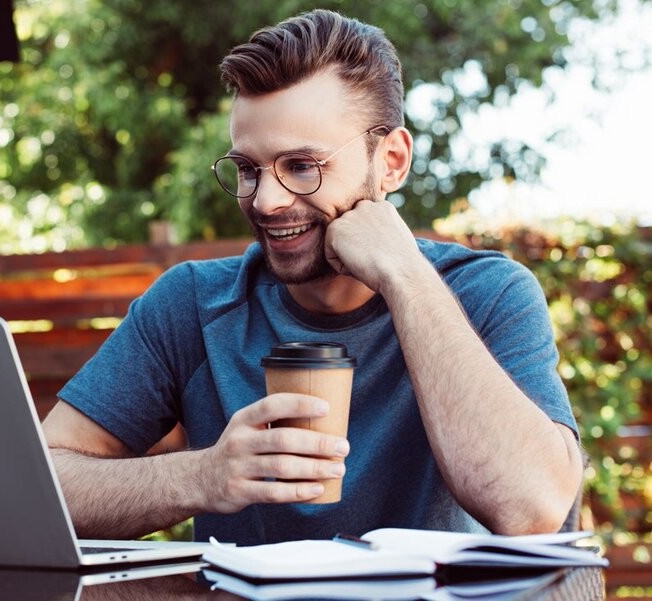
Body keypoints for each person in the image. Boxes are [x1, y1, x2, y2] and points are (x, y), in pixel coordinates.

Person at [42, 9, 583, 545]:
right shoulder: (191, 305)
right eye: (249, 169)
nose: (268, 200)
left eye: (303, 165)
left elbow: (530, 507)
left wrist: (405, 279)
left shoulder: (487, 295)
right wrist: (201, 477)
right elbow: (43, 484)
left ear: (391, 161)